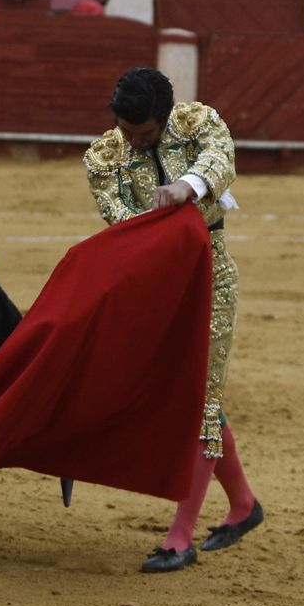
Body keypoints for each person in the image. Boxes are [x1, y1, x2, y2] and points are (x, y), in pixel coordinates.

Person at [82, 67, 261, 574]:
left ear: (164, 119)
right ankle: (244, 505)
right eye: (125, 131)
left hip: (211, 273)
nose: (132, 142)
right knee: (191, 398)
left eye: (143, 134)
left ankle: (180, 538)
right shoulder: (103, 154)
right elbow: (117, 217)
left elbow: (220, 160)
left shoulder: (198, 121)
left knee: (200, 401)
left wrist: (187, 185)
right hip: (154, 284)